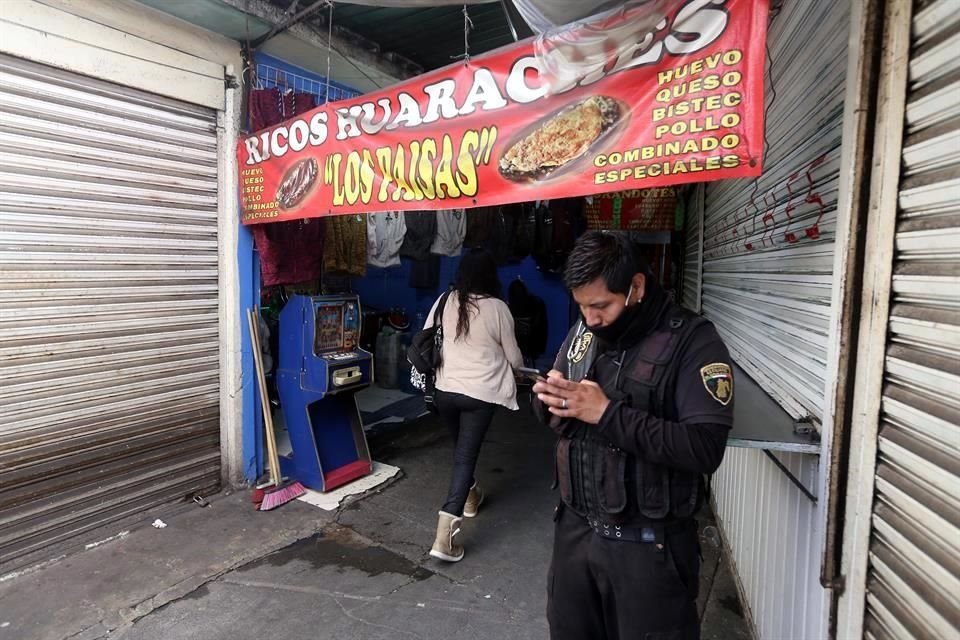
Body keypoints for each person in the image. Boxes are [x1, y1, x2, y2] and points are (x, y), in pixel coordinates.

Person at [532, 231, 734, 640]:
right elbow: (560, 412)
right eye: (582, 307)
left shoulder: (694, 342)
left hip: (650, 550)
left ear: (636, 287)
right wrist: (549, 400)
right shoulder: (584, 334)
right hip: (576, 536)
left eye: (601, 305)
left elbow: (704, 448)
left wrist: (605, 413)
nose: (590, 319)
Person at [424, 249, 524, 562]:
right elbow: (515, 358)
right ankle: (444, 537)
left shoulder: (444, 300)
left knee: (461, 453)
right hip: (479, 395)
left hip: (444, 391)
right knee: (465, 456)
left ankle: (471, 498)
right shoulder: (498, 308)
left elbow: (426, 335)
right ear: (490, 276)